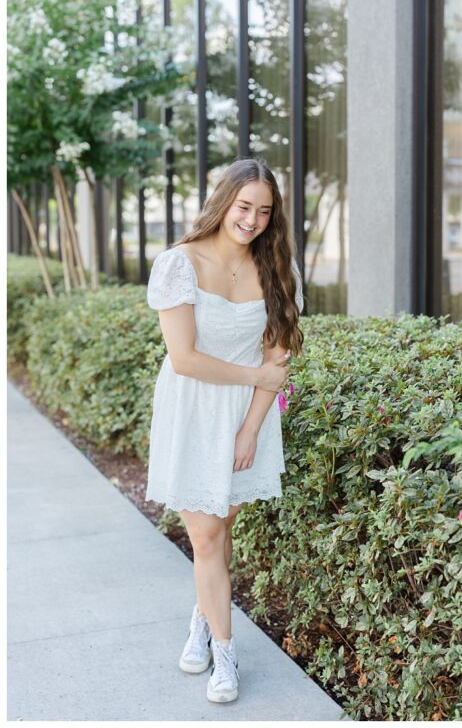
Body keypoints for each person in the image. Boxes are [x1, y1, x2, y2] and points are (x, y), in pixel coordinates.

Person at [145, 157, 304, 702]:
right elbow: (185, 358)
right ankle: (225, 653)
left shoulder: (279, 270)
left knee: (221, 529)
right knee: (207, 536)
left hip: (247, 416)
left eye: (265, 211)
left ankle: (201, 617)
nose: (253, 219)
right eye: (244, 207)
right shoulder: (179, 264)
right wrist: (257, 374)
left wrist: (251, 428)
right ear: (223, 203)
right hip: (191, 411)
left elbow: (277, 362)